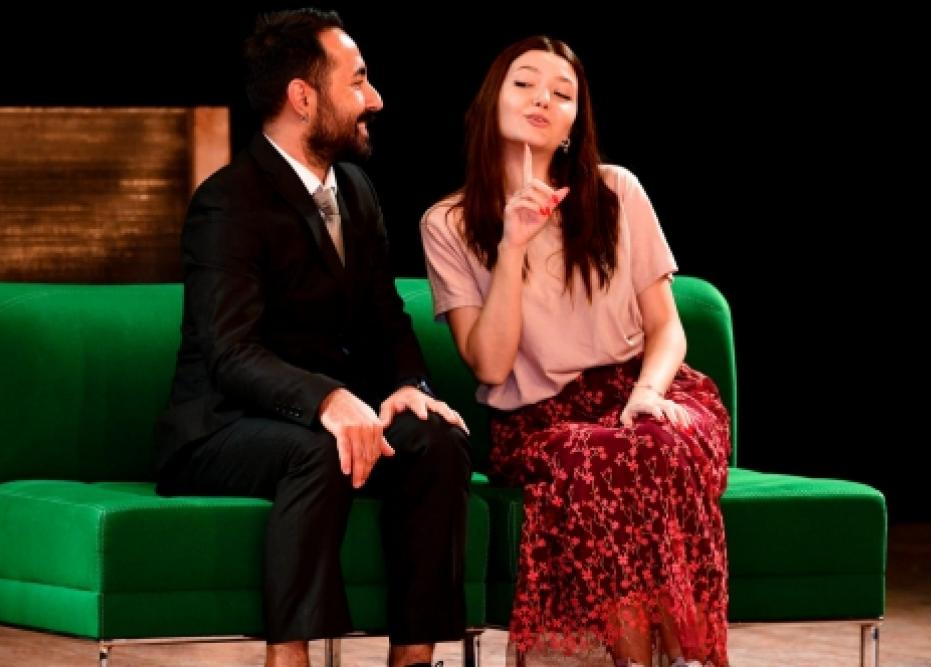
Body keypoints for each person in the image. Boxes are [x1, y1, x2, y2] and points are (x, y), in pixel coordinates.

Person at [154, 9, 472, 667]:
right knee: (321, 449)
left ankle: (414, 657)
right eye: (357, 81)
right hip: (222, 427)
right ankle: (289, 655)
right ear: (303, 97)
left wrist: (410, 386)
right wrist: (328, 399)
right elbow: (231, 352)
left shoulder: (356, 190)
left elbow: (386, 317)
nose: (374, 99)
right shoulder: (228, 202)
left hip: (322, 418)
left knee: (436, 440)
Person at [420, 36, 731, 667]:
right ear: (490, 103)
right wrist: (512, 245)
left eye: (562, 94)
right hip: (542, 421)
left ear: (572, 126)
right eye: (525, 83)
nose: (543, 98)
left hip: (646, 391)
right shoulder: (446, 223)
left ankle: (681, 659)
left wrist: (647, 394)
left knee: (657, 443)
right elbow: (490, 365)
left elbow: (667, 328)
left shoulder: (616, 191)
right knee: (597, 457)